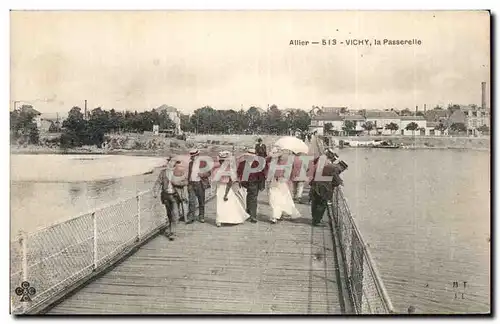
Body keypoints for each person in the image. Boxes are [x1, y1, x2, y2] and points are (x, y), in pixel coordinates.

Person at [212, 151, 250, 227]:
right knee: (220, 204)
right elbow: (215, 181)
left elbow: (230, 182)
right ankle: (219, 220)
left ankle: (229, 219)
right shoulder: (216, 170)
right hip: (220, 188)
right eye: (221, 161)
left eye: (224, 161)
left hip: (227, 188)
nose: (222, 162)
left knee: (229, 203)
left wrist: (226, 193)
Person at [153, 156, 187, 240]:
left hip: (175, 196)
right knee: (169, 213)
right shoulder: (163, 172)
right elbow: (158, 182)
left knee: (175, 214)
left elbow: (186, 181)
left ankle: (172, 233)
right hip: (166, 195)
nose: (170, 163)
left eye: (172, 162)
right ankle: (170, 227)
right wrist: (155, 192)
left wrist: (178, 183)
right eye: (169, 161)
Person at [266, 150, 301, 223]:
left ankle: (276, 216)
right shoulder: (284, 164)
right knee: (281, 199)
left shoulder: (275, 164)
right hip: (279, 183)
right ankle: (279, 215)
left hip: (277, 183)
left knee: (276, 200)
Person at [309, 160, 347, 226]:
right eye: (343, 169)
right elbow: (335, 177)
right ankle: (316, 221)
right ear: (341, 166)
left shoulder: (330, 165)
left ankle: (314, 219)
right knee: (322, 204)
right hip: (323, 188)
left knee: (315, 203)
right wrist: (340, 182)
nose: (342, 171)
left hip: (316, 185)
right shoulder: (336, 168)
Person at [237, 148, 266, 223]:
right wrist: (239, 181)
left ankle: (253, 216)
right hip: (244, 184)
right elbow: (238, 173)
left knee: (253, 198)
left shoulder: (258, 164)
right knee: (247, 198)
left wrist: (262, 185)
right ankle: (248, 212)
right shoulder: (242, 163)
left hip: (254, 183)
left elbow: (262, 175)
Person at [186, 149, 211, 224]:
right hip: (191, 183)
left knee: (201, 201)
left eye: (194, 156)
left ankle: (201, 217)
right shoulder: (190, 163)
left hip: (200, 183)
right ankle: (191, 217)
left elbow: (209, 173)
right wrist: (188, 183)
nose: (193, 158)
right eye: (192, 156)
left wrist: (202, 174)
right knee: (191, 201)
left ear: (198, 155)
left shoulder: (204, 163)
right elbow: (189, 174)